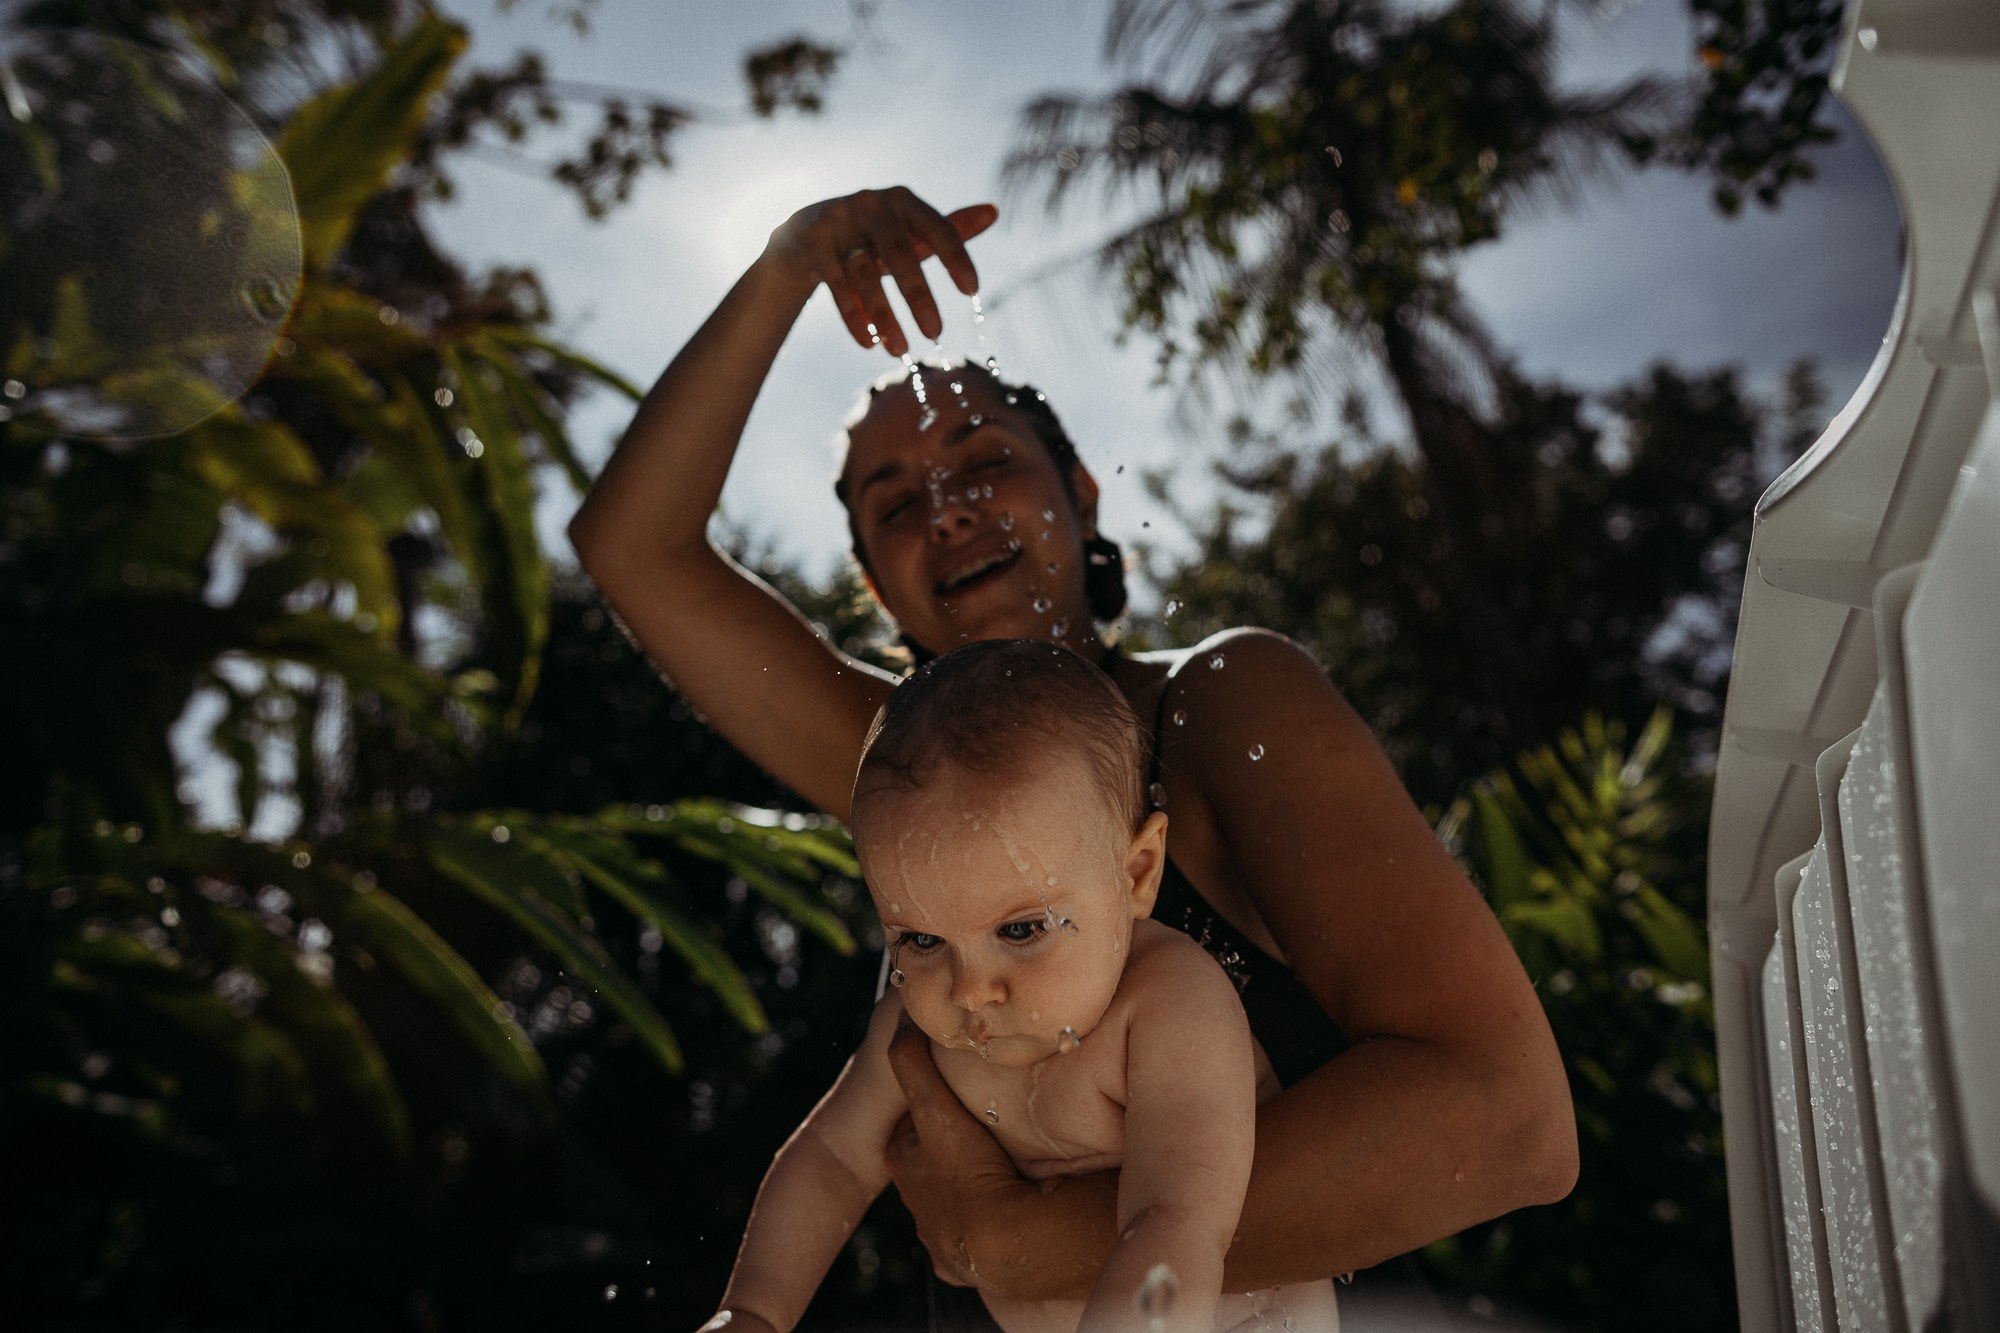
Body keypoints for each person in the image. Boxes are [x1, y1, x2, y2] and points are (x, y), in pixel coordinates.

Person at [569, 185, 1576, 1309]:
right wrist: (785, 265)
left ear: (1081, 494)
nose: (943, 507)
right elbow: (632, 546)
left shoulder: (1219, 705)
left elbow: (1504, 1116)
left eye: (982, 458)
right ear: (874, 586)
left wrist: (1018, 1244)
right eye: (889, 502)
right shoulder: (896, 771)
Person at [710, 639, 1340, 1333]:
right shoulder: (916, 1033)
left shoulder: (1168, 1004)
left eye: (1020, 930)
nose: (972, 988)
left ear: (1136, 873)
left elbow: (1176, 1221)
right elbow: (831, 1158)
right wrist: (753, 1310)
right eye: (922, 941)